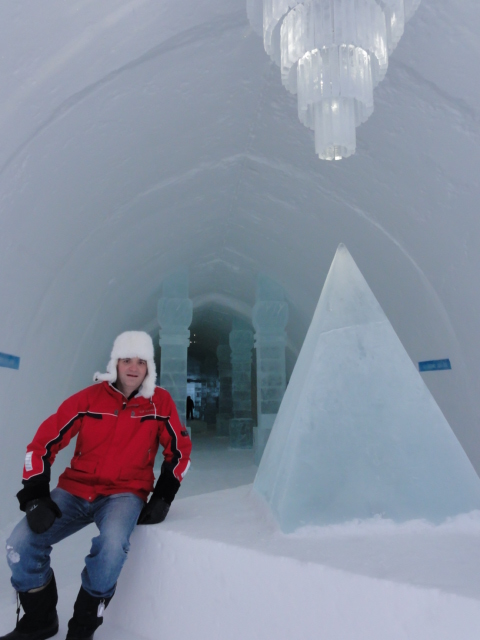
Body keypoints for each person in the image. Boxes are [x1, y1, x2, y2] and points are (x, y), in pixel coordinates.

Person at [2, 331, 192, 640]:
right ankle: (39, 620)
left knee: (113, 544)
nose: (133, 367)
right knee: (20, 543)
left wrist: (164, 497)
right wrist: (35, 495)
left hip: (124, 494)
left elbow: (181, 451)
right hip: (76, 490)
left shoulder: (160, 403)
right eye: (126, 360)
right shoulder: (89, 399)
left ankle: (83, 626)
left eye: (141, 361)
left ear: (148, 368)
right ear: (115, 364)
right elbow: (41, 445)